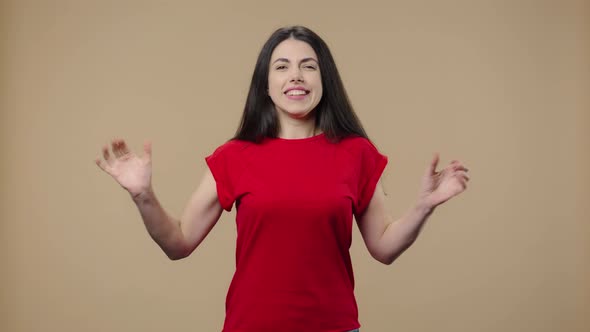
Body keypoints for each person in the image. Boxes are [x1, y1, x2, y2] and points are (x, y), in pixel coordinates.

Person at [95, 25, 469, 332]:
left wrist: (423, 207)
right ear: (266, 85)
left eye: (308, 66)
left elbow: (384, 248)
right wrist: (142, 195)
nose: (296, 76)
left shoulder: (356, 154)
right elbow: (178, 242)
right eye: (282, 67)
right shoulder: (234, 156)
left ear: (325, 81)